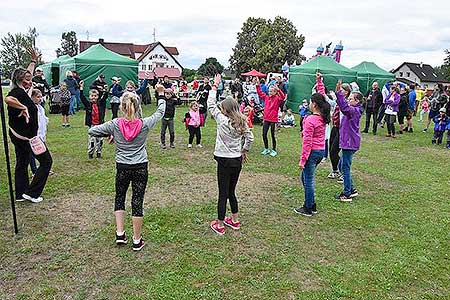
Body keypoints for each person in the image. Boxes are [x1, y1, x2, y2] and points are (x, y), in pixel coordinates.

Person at [88, 87, 166, 251]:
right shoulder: (144, 123)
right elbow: (160, 112)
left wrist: (112, 135)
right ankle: (137, 240)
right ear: (138, 107)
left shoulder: (115, 124)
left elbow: (92, 130)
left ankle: (120, 233)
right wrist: (160, 95)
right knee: (137, 201)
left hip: (122, 167)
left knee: (120, 197)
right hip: (140, 167)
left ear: (122, 107)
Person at [208, 74, 254, 235]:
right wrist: (244, 150)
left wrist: (215, 85)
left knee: (223, 192)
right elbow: (250, 137)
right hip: (236, 160)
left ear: (225, 110)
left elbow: (210, 104)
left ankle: (220, 224)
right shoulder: (242, 121)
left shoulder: (222, 120)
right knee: (231, 191)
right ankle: (234, 220)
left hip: (223, 160)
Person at [5, 48, 53, 203]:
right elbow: (8, 99)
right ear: (21, 80)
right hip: (26, 137)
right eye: (27, 78)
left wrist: (33, 61)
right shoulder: (17, 93)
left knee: (22, 161)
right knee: (46, 161)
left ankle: (20, 194)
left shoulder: (22, 90)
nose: (30, 79)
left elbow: (27, 74)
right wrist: (23, 107)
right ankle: (32, 193)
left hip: (19, 135)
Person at [294, 92, 331, 216]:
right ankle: (312, 203)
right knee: (304, 178)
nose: (309, 104)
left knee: (308, 180)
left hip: (312, 152)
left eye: (310, 102)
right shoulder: (323, 117)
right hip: (320, 151)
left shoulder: (310, 120)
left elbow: (307, 142)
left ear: (314, 105)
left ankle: (308, 207)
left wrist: (302, 160)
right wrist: (319, 82)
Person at [334, 81, 362, 202]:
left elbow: (344, 107)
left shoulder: (353, 111)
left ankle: (346, 193)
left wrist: (339, 94)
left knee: (345, 167)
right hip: (348, 142)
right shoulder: (353, 110)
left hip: (349, 143)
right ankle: (351, 189)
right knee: (342, 165)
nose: (349, 100)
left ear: (357, 102)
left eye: (351, 99)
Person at [255, 77, 285, 157]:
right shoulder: (266, 97)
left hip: (273, 120)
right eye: (269, 91)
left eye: (271, 91)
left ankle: (274, 150)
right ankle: (266, 148)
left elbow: (283, 97)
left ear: (275, 92)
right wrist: (257, 85)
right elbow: (260, 93)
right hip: (266, 119)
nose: (269, 92)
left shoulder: (277, 99)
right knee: (264, 134)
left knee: (272, 135)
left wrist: (278, 89)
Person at [328, 83, 351, 181]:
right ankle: (335, 171)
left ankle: (342, 173)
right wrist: (319, 82)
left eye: (342, 90)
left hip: (342, 129)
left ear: (346, 92)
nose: (340, 92)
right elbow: (328, 100)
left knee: (334, 151)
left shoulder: (346, 102)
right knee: (331, 150)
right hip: (335, 127)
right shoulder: (338, 102)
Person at [79, 81, 105, 159]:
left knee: (99, 140)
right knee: (92, 140)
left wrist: (105, 90)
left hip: (100, 125)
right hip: (92, 125)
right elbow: (82, 97)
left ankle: (99, 152)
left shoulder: (100, 103)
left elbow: (104, 97)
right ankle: (90, 153)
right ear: (89, 96)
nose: (93, 97)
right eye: (92, 96)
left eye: (95, 96)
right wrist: (81, 88)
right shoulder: (88, 104)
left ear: (97, 96)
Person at [29, 89, 49, 176]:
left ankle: (43, 168)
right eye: (38, 97)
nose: (40, 99)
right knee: (32, 153)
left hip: (41, 135)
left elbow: (43, 121)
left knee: (42, 152)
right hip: (34, 135)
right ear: (32, 97)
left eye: (41, 97)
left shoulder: (41, 108)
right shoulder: (32, 109)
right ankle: (34, 171)